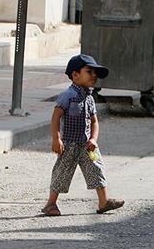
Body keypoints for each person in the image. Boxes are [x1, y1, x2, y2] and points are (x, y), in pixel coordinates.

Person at [42, 54, 125, 217]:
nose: (94, 76)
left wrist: (94, 138)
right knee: (62, 172)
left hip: (88, 146)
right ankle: (51, 204)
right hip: (70, 145)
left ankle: (103, 202)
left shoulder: (90, 98)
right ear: (75, 75)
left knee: (97, 169)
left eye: (95, 73)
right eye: (89, 72)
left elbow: (94, 122)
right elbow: (56, 117)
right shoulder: (67, 96)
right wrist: (56, 138)